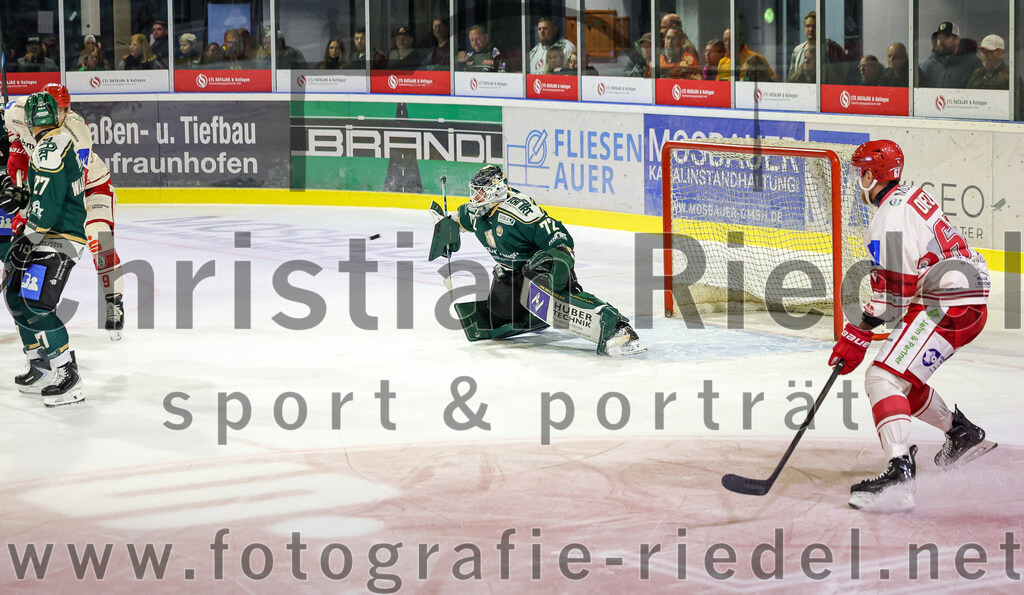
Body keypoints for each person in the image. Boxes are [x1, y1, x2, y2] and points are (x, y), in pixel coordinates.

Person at [830, 140, 994, 512]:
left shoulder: (889, 216)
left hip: (949, 303)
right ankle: (961, 433)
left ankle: (900, 474)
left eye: (861, 173)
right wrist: (864, 329)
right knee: (901, 377)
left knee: (881, 379)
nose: (859, 181)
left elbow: (894, 297)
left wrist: (857, 334)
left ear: (873, 175)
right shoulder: (911, 195)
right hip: (959, 298)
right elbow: (901, 294)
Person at [429, 165, 644, 356]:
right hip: (511, 271)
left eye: (480, 193)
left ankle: (617, 325)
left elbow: (558, 235)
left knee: (539, 285)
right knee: (501, 316)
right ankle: (533, 310)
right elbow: (458, 220)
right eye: (474, 194)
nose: (474, 199)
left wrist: (559, 260)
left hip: (543, 264)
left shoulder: (521, 213)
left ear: (495, 191)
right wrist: (445, 228)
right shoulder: (476, 212)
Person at [4, 84, 127, 340]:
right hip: (50, 188)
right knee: (33, 245)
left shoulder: (76, 131)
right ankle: (40, 304)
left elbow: (72, 186)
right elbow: (12, 138)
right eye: (55, 108)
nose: (59, 115)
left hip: (89, 188)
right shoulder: (18, 111)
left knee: (98, 239)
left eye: (65, 109)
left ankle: (114, 300)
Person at [2, 92, 88, 407]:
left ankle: (67, 373)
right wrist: (23, 197)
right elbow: (46, 195)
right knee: (14, 295)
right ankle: (40, 365)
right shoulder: (54, 142)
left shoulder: (51, 147)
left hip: (60, 239)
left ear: (28, 123)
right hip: (49, 234)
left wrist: (28, 238)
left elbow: (49, 207)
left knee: (36, 303)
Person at [918, 21, 981, 88]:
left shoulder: (973, 64)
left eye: (945, 38)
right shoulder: (928, 65)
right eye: (939, 38)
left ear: (957, 40)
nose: (940, 42)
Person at [788, 11, 845, 80]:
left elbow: (841, 77)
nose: (811, 29)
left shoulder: (833, 49)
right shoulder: (797, 51)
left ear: (821, 28)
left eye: (814, 26)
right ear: (804, 28)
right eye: (808, 26)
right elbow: (792, 78)